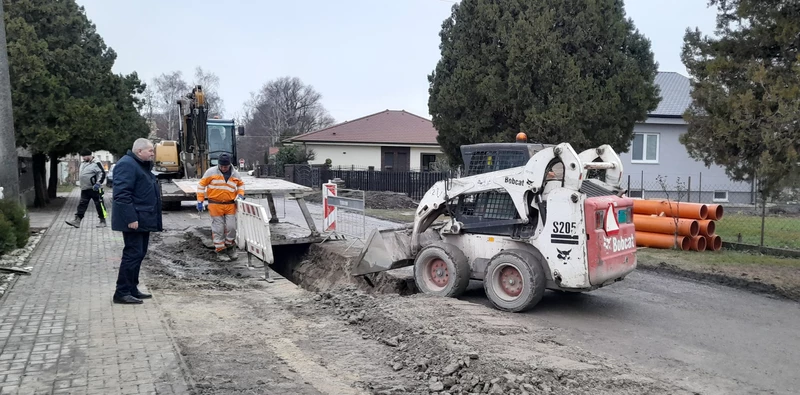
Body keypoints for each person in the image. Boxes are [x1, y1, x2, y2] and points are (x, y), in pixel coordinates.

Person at [111, 138, 163, 304]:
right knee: (132, 255)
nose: (153, 154)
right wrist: (131, 218)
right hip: (135, 220)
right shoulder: (127, 165)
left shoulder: (140, 165)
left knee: (139, 254)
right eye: (150, 151)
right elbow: (121, 195)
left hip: (143, 218)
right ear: (139, 151)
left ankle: (132, 288)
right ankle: (122, 292)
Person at [197, 153, 245, 262]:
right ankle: (220, 250)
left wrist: (241, 194)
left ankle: (230, 247)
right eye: (222, 166)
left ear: (229, 165)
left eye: (226, 167)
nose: (224, 168)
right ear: (218, 165)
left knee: (231, 227)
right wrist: (200, 200)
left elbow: (241, 184)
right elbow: (201, 185)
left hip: (230, 204)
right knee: (218, 229)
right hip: (215, 204)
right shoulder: (211, 172)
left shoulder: (235, 174)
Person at [65, 149, 108, 228]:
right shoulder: (83, 163)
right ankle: (77, 220)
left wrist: (98, 183)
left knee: (99, 204)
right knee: (82, 204)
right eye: (82, 157)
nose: (83, 158)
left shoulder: (96, 163)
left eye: (84, 156)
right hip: (85, 188)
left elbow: (102, 173)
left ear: (89, 155)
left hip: (95, 188)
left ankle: (102, 220)